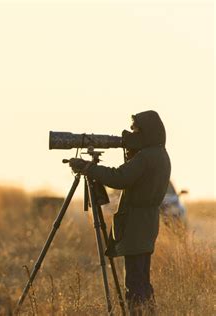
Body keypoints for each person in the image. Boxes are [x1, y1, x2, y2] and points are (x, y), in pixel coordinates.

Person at [69, 110, 171, 314]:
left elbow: (119, 178)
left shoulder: (146, 157)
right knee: (142, 281)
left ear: (146, 132)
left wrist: (89, 168)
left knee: (134, 285)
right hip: (147, 224)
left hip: (135, 225)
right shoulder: (159, 153)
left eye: (135, 129)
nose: (131, 133)